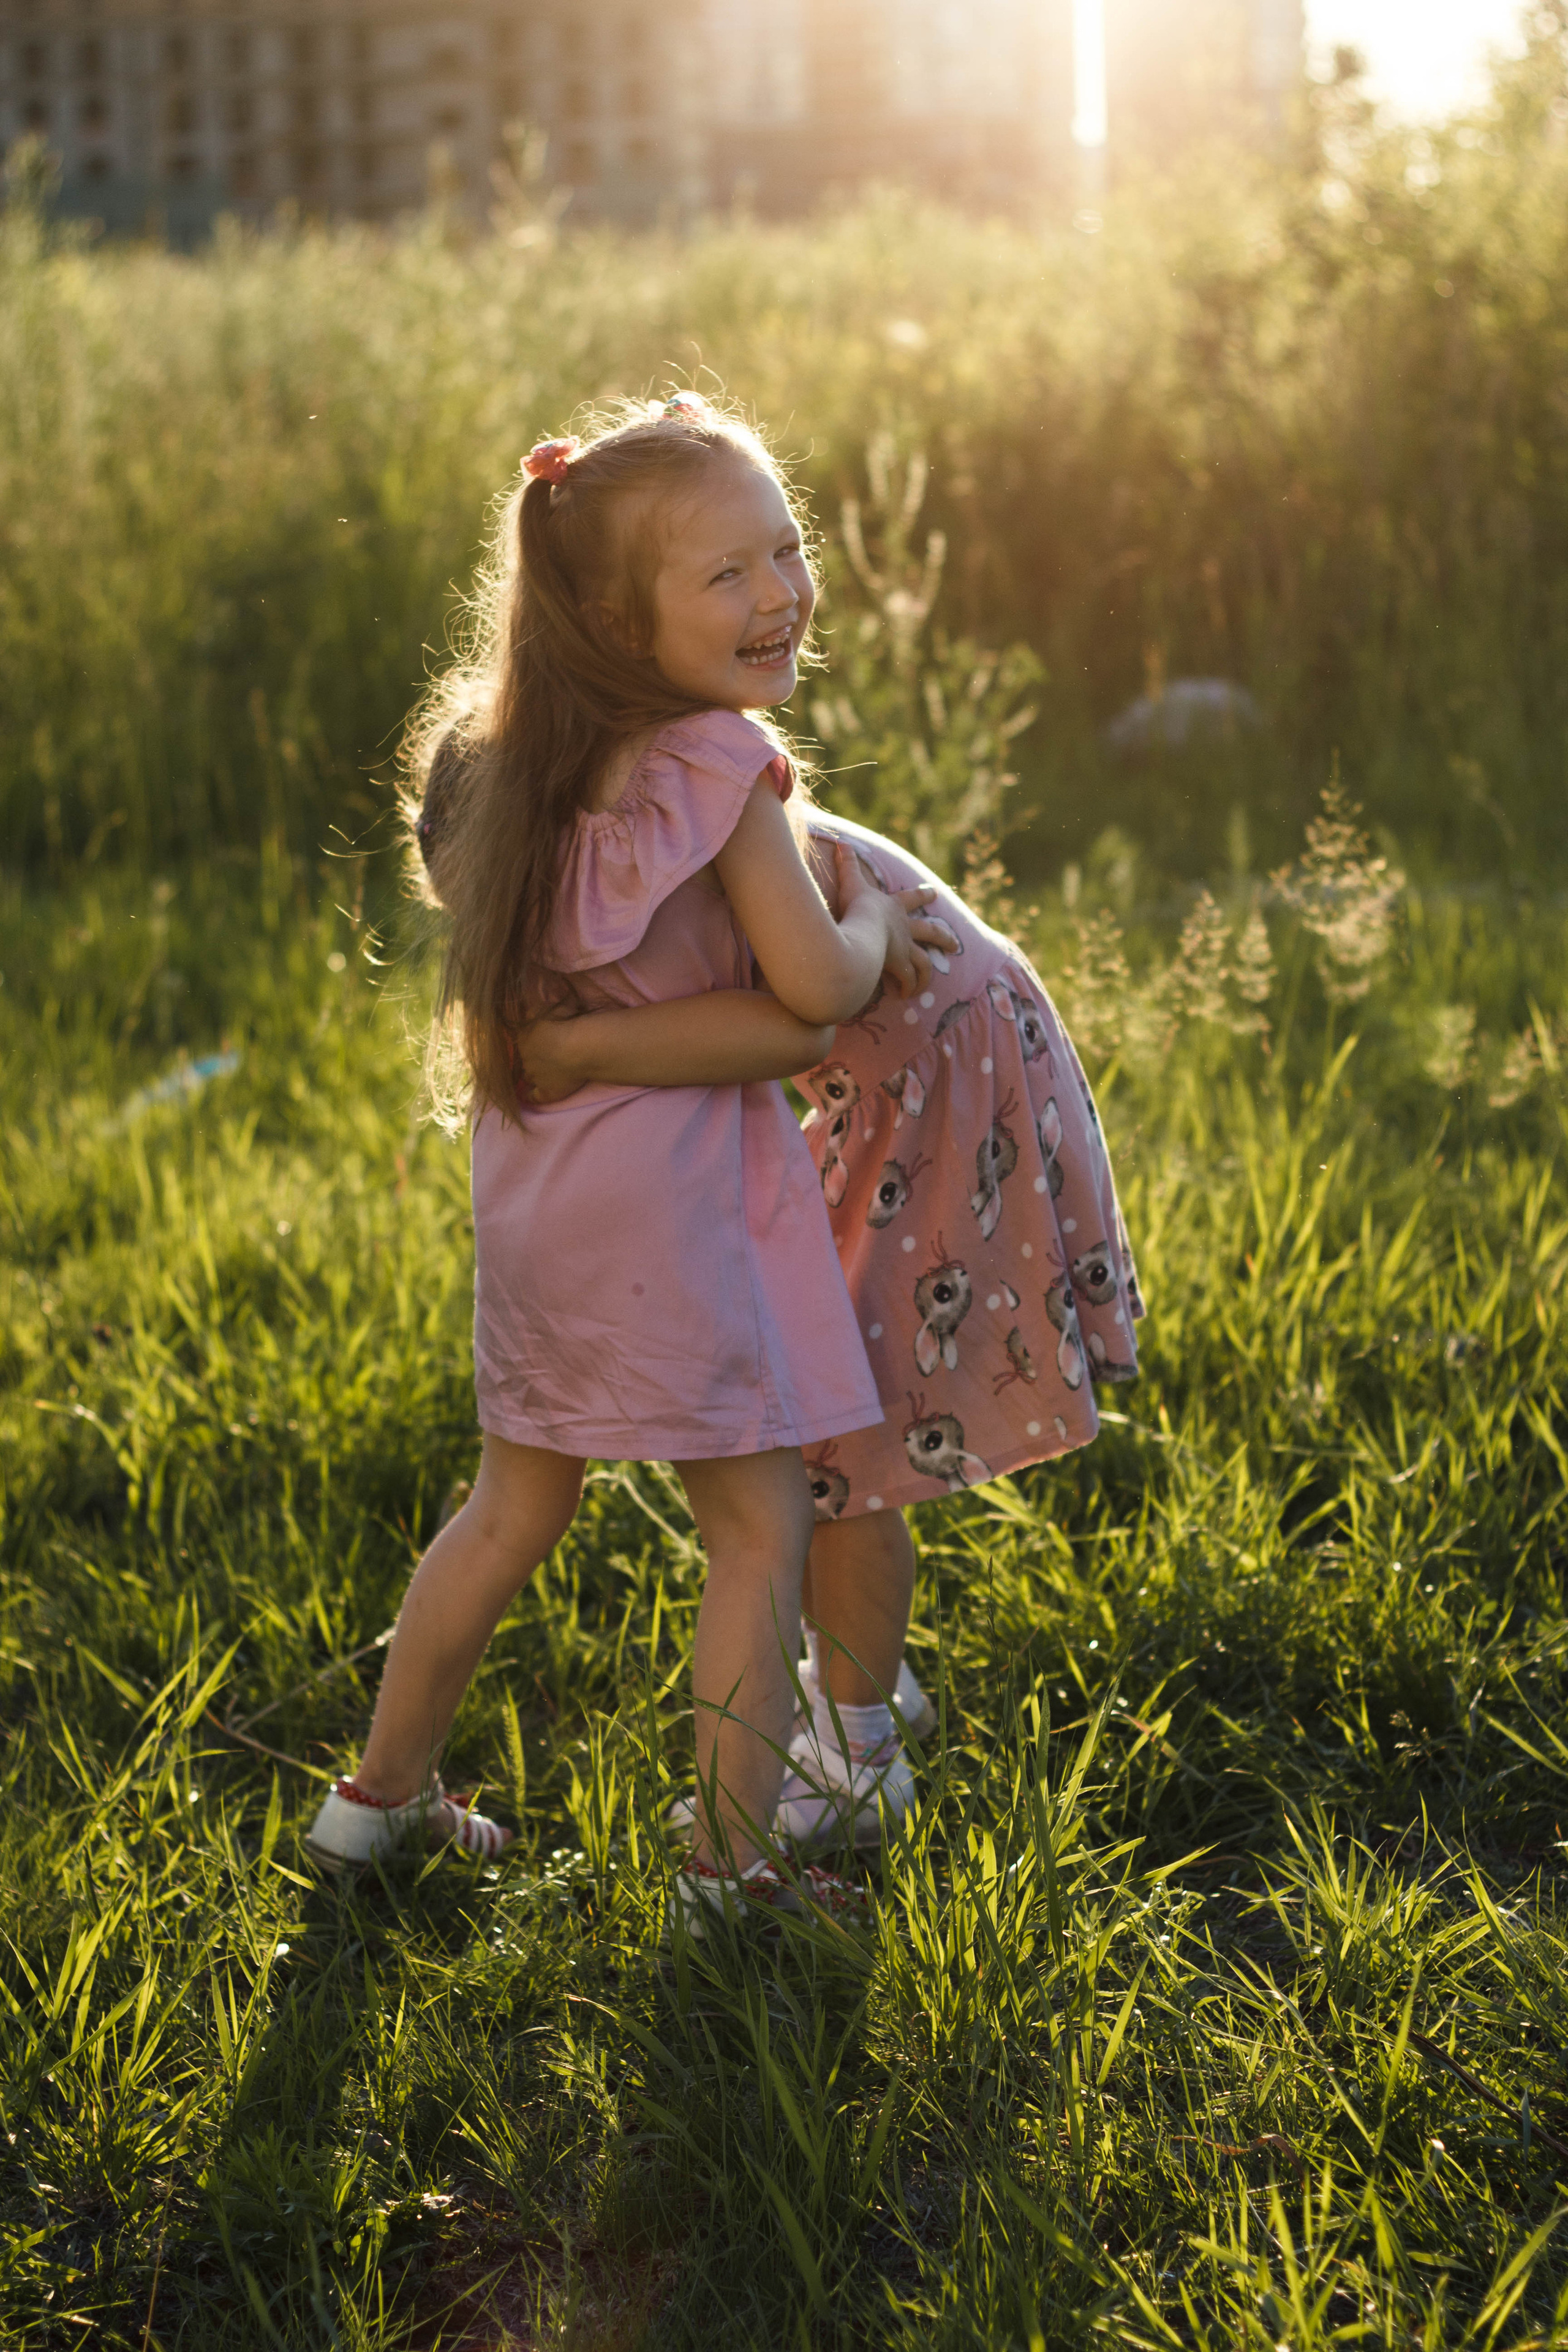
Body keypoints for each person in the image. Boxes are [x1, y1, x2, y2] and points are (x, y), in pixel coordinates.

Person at [303, 393, 954, 1928]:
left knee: (510, 1508)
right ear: (612, 612)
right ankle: (729, 1880)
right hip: (686, 1213)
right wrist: (878, 925)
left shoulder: (490, 761)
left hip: (542, 1209)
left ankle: (373, 1807)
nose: (778, 593)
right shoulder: (717, 769)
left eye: (785, 552)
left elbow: (548, 1007)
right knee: (755, 1530)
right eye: (726, 573)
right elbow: (810, 994)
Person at [513, 793, 1147, 1856]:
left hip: (936, 1087)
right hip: (897, 1084)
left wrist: (589, 1049)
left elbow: (791, 1015)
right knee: (808, 1422)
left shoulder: (665, 819)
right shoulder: (634, 803)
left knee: (843, 1440)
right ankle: (858, 1685)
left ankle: (861, 1759)